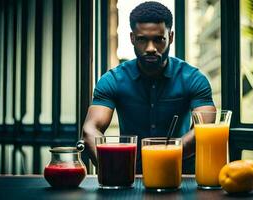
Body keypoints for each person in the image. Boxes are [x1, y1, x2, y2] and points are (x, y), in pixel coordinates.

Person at [82, 1, 216, 173]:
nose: (151, 48)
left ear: (171, 37)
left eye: (159, 39)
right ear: (132, 38)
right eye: (142, 40)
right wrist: (110, 169)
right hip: (130, 176)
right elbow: (90, 129)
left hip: (181, 175)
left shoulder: (193, 78)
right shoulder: (112, 79)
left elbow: (204, 130)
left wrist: (164, 156)